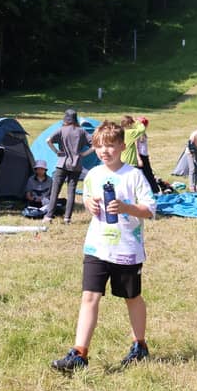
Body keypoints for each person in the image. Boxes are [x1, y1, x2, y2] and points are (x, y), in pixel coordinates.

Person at [50, 122, 156, 372]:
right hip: (97, 247)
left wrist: (126, 207)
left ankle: (139, 345)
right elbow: (88, 197)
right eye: (99, 146)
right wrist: (89, 203)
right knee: (89, 296)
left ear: (122, 146)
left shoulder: (133, 175)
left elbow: (150, 209)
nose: (104, 151)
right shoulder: (94, 174)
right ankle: (79, 354)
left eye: (110, 145)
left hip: (127, 250)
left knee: (131, 297)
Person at [43, 109, 96, 224]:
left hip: (62, 164)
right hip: (76, 165)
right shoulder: (82, 131)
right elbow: (95, 145)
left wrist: (56, 151)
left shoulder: (61, 130)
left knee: (55, 191)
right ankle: (67, 218)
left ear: (65, 119)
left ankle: (48, 216)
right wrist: (83, 154)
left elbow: (48, 140)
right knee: (71, 191)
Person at [135, 116, 159, 195]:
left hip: (145, 156)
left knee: (149, 173)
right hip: (140, 156)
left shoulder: (143, 134)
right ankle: (151, 190)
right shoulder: (136, 134)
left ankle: (155, 190)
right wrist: (139, 159)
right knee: (143, 174)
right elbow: (135, 147)